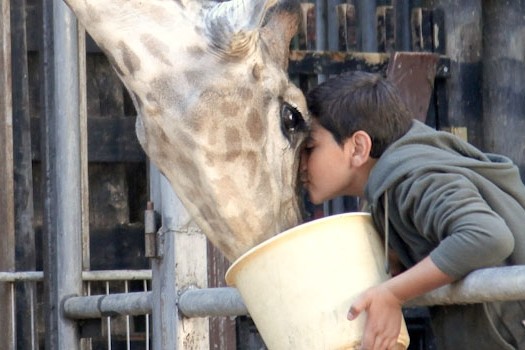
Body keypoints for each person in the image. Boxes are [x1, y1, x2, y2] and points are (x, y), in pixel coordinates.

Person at [300, 70, 525, 350]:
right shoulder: (392, 184)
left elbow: (488, 235)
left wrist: (392, 294)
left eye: (310, 148)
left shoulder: (411, 180)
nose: (301, 164)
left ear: (358, 147)